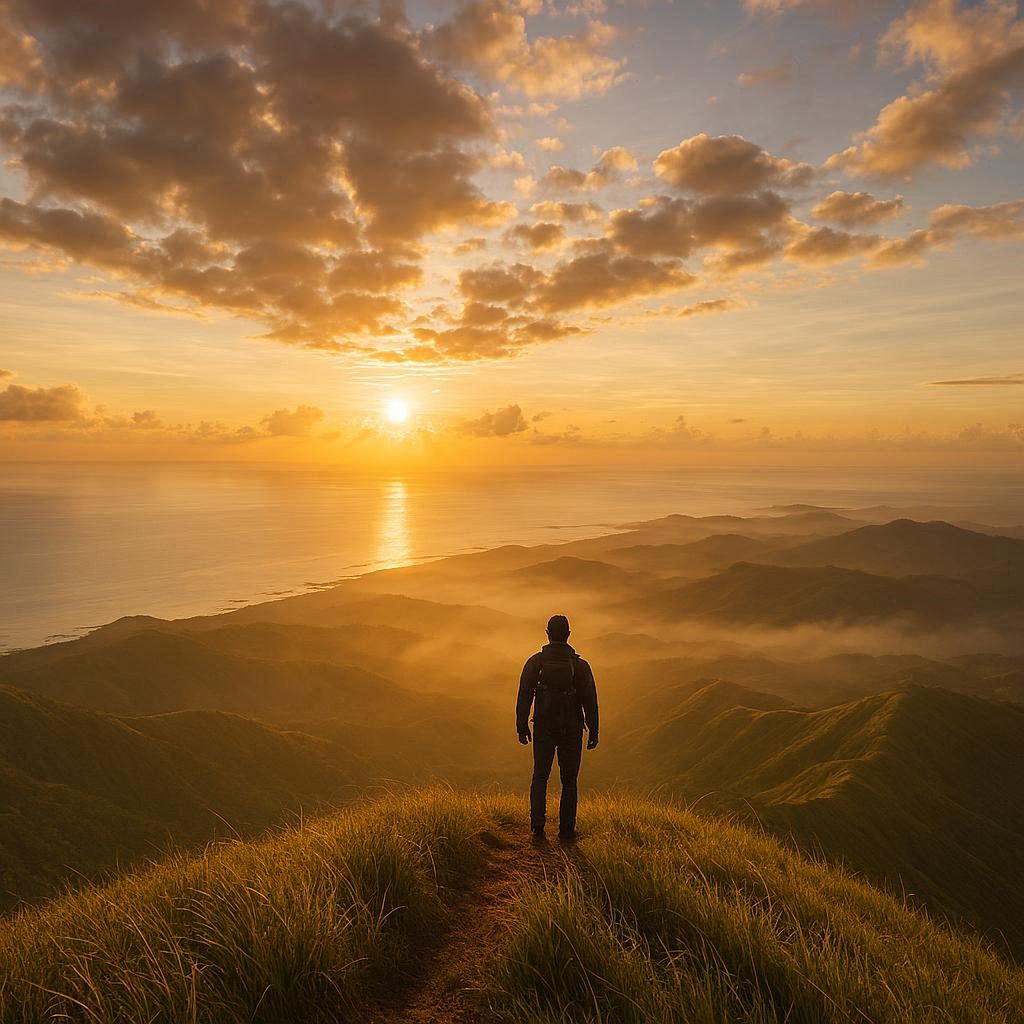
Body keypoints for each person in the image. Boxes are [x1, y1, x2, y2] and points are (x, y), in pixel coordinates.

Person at [515, 614, 599, 841]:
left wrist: (521, 726)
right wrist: (594, 730)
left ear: (547, 634)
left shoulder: (536, 663)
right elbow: (590, 700)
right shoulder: (580, 666)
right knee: (569, 780)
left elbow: (524, 695)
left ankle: (537, 827)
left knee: (540, 775)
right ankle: (567, 830)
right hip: (571, 729)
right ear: (568, 635)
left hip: (543, 726)